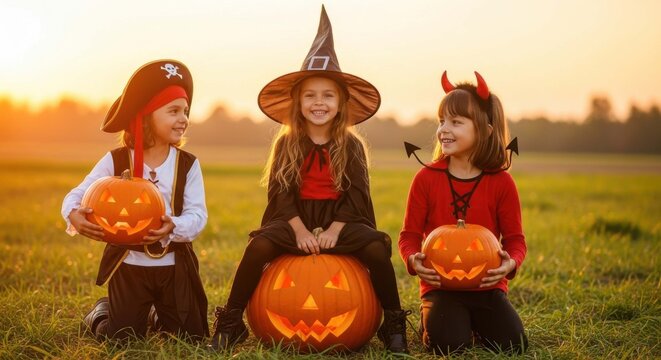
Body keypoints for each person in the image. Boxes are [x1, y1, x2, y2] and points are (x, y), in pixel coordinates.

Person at [209, 6, 409, 353]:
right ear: (298, 101)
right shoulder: (286, 143)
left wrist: (334, 231)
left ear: (341, 102)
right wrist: (300, 231)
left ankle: (393, 324)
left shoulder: (352, 146)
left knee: (376, 249)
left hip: (342, 220)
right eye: (311, 95)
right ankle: (231, 322)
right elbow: (281, 195)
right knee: (258, 247)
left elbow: (356, 196)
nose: (320, 103)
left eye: (328, 95)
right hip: (294, 218)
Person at [62, 59, 209, 341]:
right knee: (122, 338)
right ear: (147, 115)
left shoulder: (188, 165)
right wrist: (74, 215)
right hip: (129, 266)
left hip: (174, 268)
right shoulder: (116, 160)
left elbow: (198, 216)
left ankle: (156, 313)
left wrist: (173, 226)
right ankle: (104, 312)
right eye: (174, 111)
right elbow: (77, 195)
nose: (184, 119)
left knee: (191, 339)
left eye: (186, 111)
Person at [398, 71, 528, 355]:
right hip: (440, 287)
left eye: (456, 122)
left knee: (513, 345)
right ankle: (435, 319)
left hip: (487, 288)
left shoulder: (501, 182)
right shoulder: (426, 178)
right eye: (441, 121)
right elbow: (408, 236)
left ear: (484, 129)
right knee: (448, 346)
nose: (444, 129)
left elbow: (516, 240)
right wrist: (412, 260)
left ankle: (473, 321)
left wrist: (510, 264)